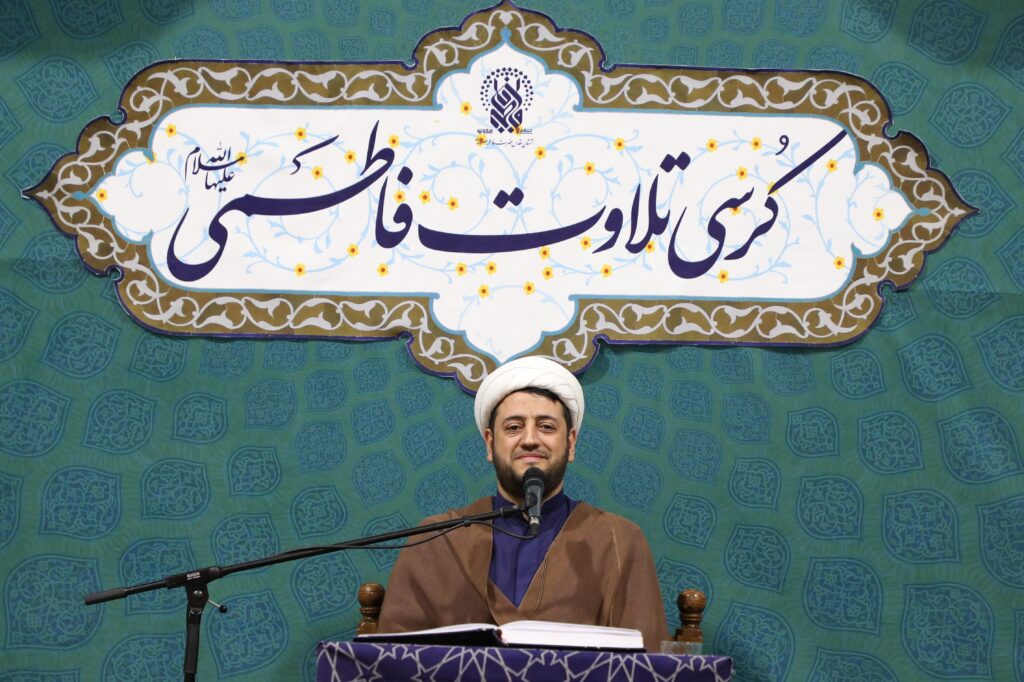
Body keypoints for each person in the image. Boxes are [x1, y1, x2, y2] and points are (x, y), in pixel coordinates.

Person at [377, 355, 668, 652]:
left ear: (571, 443)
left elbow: (649, 663)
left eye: (546, 427)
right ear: (490, 443)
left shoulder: (618, 540)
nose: (530, 439)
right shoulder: (437, 539)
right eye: (514, 427)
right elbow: (393, 660)